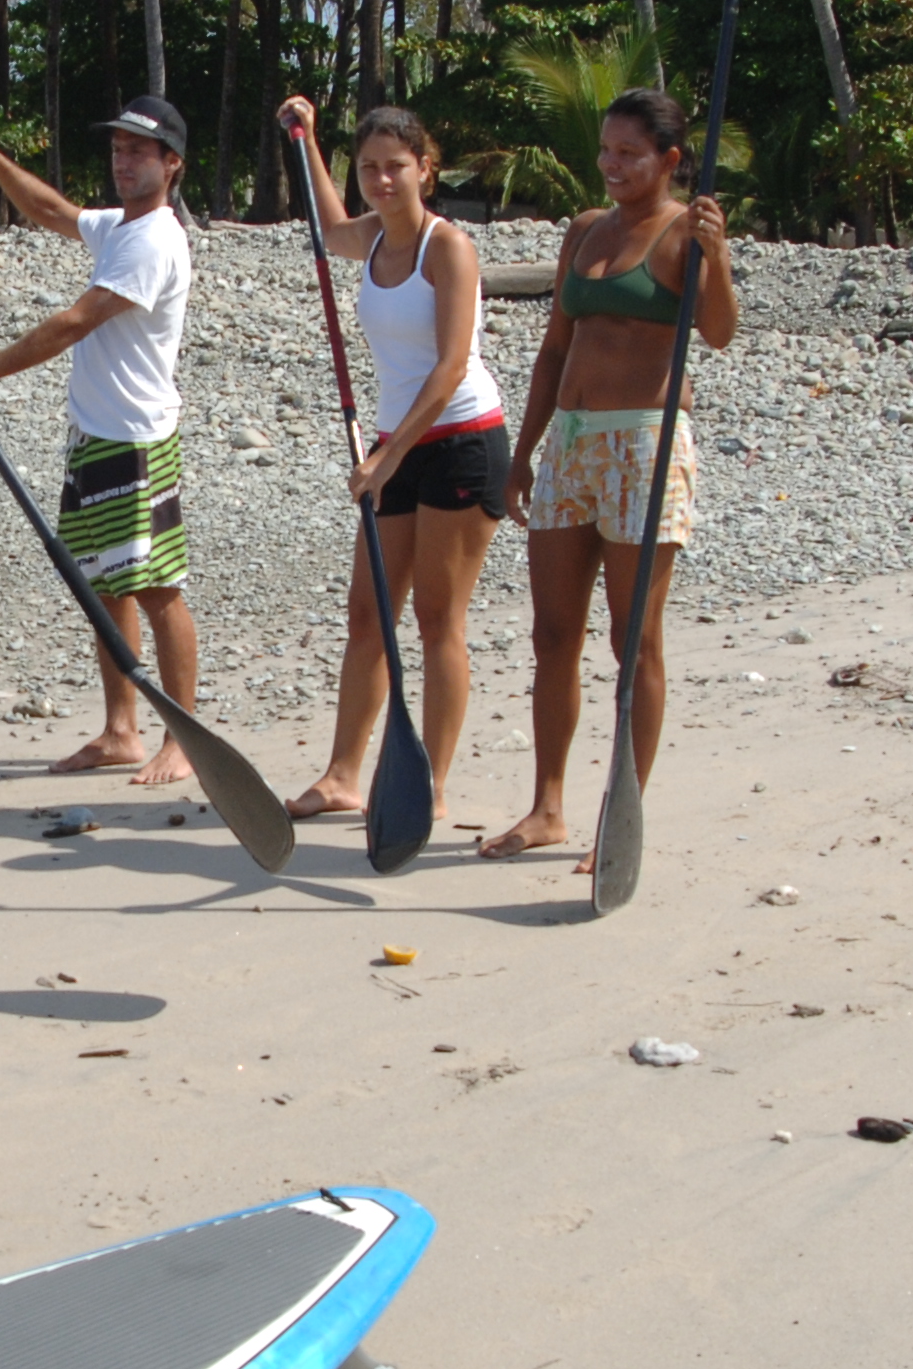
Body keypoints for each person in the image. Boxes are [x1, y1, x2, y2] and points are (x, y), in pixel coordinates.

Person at [483, 84, 739, 868]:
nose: (611, 165)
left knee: (636, 642)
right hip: (572, 442)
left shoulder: (683, 233)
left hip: (647, 443)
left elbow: (720, 333)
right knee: (552, 634)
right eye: (605, 150)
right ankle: (547, 807)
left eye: (629, 154)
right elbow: (555, 349)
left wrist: (718, 256)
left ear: (669, 160)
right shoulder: (585, 231)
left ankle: (619, 817)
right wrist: (521, 453)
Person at [0, 94, 202, 787]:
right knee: (104, 585)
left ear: (171, 163)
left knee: (155, 587)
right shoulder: (120, 226)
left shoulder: (153, 239)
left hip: (136, 440)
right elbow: (53, 212)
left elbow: (74, 321)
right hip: (95, 436)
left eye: (139, 151)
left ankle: (184, 738)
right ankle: (121, 731)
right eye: (118, 148)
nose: (123, 160)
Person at [276, 96, 506, 830]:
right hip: (396, 444)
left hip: (461, 436)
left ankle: (429, 784)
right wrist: (305, 141)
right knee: (369, 614)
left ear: (424, 170)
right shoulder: (371, 237)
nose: (380, 180)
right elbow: (328, 226)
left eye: (394, 168)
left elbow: (449, 367)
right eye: (369, 168)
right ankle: (344, 775)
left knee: (439, 617)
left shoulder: (449, 248)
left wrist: (387, 454)